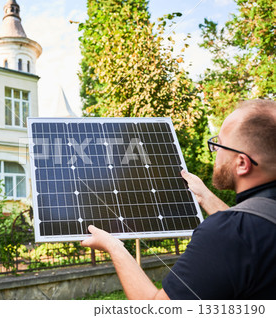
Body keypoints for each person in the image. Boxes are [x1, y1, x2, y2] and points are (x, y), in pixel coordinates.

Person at [81, 99, 276, 300]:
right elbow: (252, 228)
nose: (215, 153)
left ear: (242, 163)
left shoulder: (225, 235)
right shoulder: (247, 231)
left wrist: (114, 246)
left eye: (218, 145)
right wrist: (205, 197)